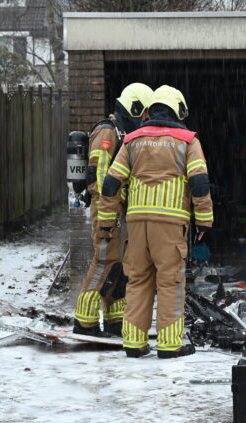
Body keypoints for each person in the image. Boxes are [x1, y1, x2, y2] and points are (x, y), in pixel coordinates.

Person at [98, 85, 213, 358]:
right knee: (170, 281)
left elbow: (111, 183)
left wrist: (106, 221)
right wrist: (204, 222)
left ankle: (134, 343)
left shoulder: (133, 140)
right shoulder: (187, 141)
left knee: (137, 280)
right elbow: (199, 182)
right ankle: (170, 344)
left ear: (150, 110)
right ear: (178, 110)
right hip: (170, 224)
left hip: (137, 223)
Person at [72, 83, 154, 337]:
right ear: (135, 107)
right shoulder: (108, 132)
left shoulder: (120, 132)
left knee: (119, 265)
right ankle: (84, 322)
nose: (145, 120)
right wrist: (107, 209)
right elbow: (98, 173)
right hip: (106, 207)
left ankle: (115, 318)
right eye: (144, 114)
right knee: (105, 260)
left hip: (116, 209)